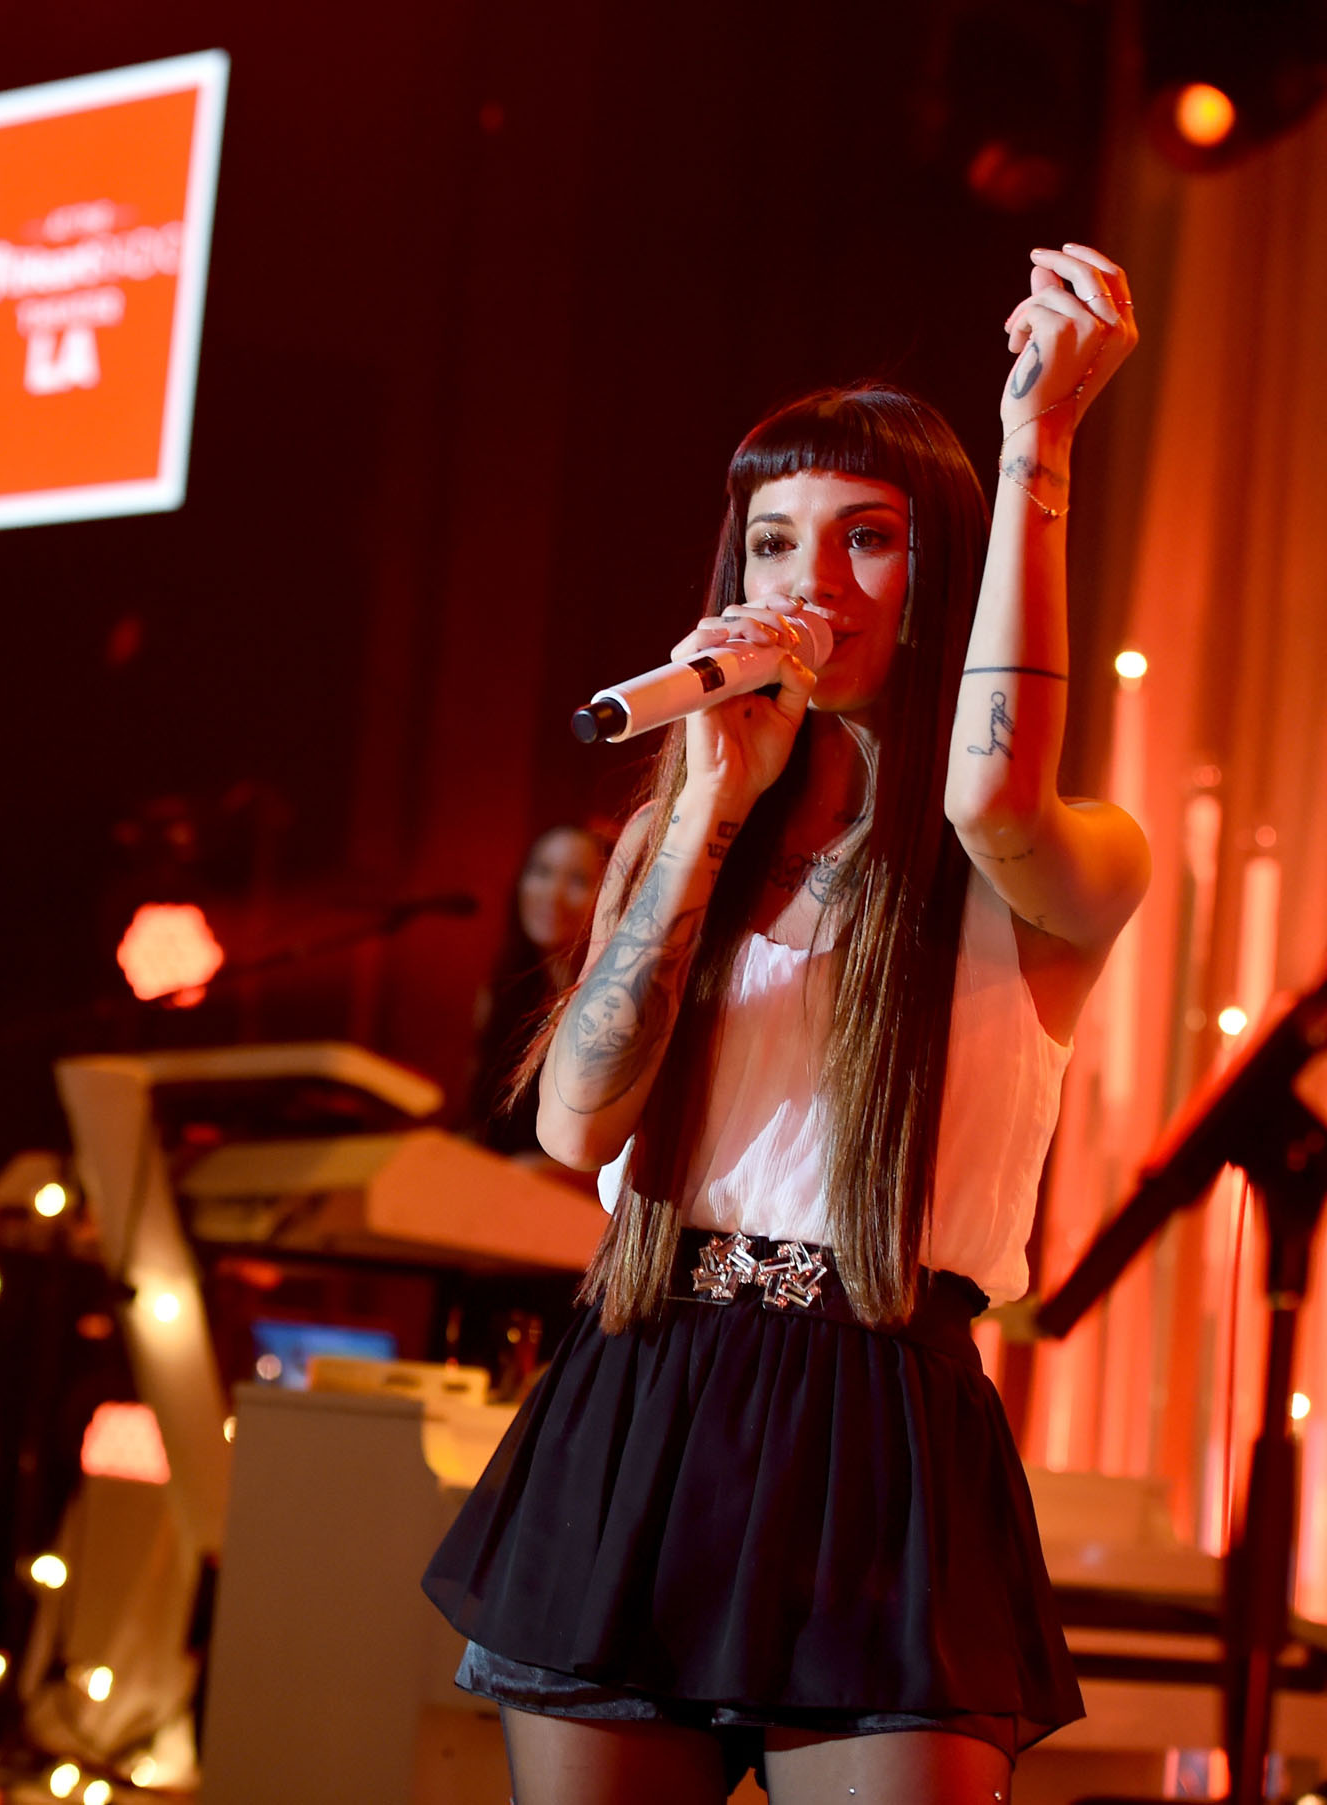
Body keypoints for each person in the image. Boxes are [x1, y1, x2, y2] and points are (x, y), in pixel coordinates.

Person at [422, 245, 1148, 1803]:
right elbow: (575, 1129)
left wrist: (1036, 454)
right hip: (647, 1384)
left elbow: (990, 790)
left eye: (867, 540)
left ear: (936, 568)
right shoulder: (670, 838)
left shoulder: (1049, 857)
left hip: (881, 1410)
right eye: (771, 542)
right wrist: (699, 819)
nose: (807, 585)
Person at [463, 825, 611, 1157]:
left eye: (577, 881)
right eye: (542, 872)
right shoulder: (500, 989)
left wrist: (541, 1171)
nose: (553, 894)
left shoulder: (611, 1005)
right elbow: (479, 1116)